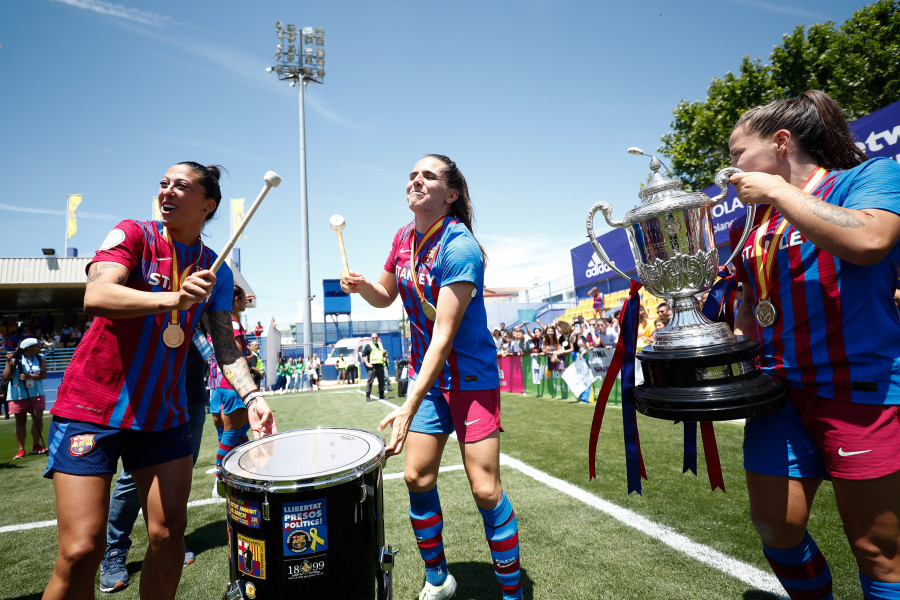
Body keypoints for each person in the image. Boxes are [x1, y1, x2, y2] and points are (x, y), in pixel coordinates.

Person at [41, 162, 277, 600]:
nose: (167, 191)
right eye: (163, 184)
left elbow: (224, 342)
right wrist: (174, 296)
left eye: (181, 186)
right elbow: (96, 295)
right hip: (93, 408)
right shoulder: (133, 234)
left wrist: (253, 394)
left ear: (208, 205)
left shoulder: (216, 270)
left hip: (161, 414)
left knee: (169, 538)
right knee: (80, 551)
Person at [727, 90, 900, 600]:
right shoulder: (751, 223)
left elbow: (870, 241)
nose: (732, 166)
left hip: (859, 389)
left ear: (781, 143)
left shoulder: (868, 178)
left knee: (877, 549)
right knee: (775, 528)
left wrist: (781, 194)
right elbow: (747, 300)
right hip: (777, 394)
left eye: (738, 153)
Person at [341, 154, 523, 600]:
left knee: (484, 488)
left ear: (452, 194)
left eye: (428, 175)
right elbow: (386, 297)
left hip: (471, 380)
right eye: (411, 175)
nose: (415, 180)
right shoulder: (402, 238)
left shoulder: (460, 246)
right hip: (431, 382)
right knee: (416, 477)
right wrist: (362, 286)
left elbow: (444, 336)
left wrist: (407, 404)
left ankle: (513, 594)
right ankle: (439, 579)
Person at [98, 328, 211, 592]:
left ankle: (165, 544)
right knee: (131, 480)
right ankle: (114, 553)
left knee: (176, 479)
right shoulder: (160, 292)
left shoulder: (207, 304)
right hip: (152, 398)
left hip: (191, 399)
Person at [209, 285, 255, 466]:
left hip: (218, 382)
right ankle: (221, 474)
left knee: (235, 434)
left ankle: (243, 469)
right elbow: (234, 355)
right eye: (244, 299)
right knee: (233, 433)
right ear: (236, 300)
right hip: (233, 383)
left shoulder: (219, 320)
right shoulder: (232, 323)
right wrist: (249, 357)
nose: (247, 302)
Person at [2, 337, 48, 458]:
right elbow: (5, 377)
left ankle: (36, 445)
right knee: (20, 422)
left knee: (38, 419)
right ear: (29, 347)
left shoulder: (40, 357)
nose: (40, 348)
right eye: (37, 346)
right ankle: (21, 449)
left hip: (37, 393)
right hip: (18, 395)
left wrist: (29, 376)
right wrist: (8, 362)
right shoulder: (15, 358)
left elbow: (43, 375)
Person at [363, 333, 387, 402]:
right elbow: (363, 355)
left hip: (380, 365)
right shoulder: (368, 345)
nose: (375, 339)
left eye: (376, 337)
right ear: (371, 338)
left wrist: (385, 357)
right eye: (373, 338)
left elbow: (384, 352)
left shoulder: (380, 344)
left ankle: (381, 395)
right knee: (370, 382)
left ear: (378, 338)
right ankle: (368, 396)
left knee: (381, 381)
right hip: (372, 366)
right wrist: (367, 363)